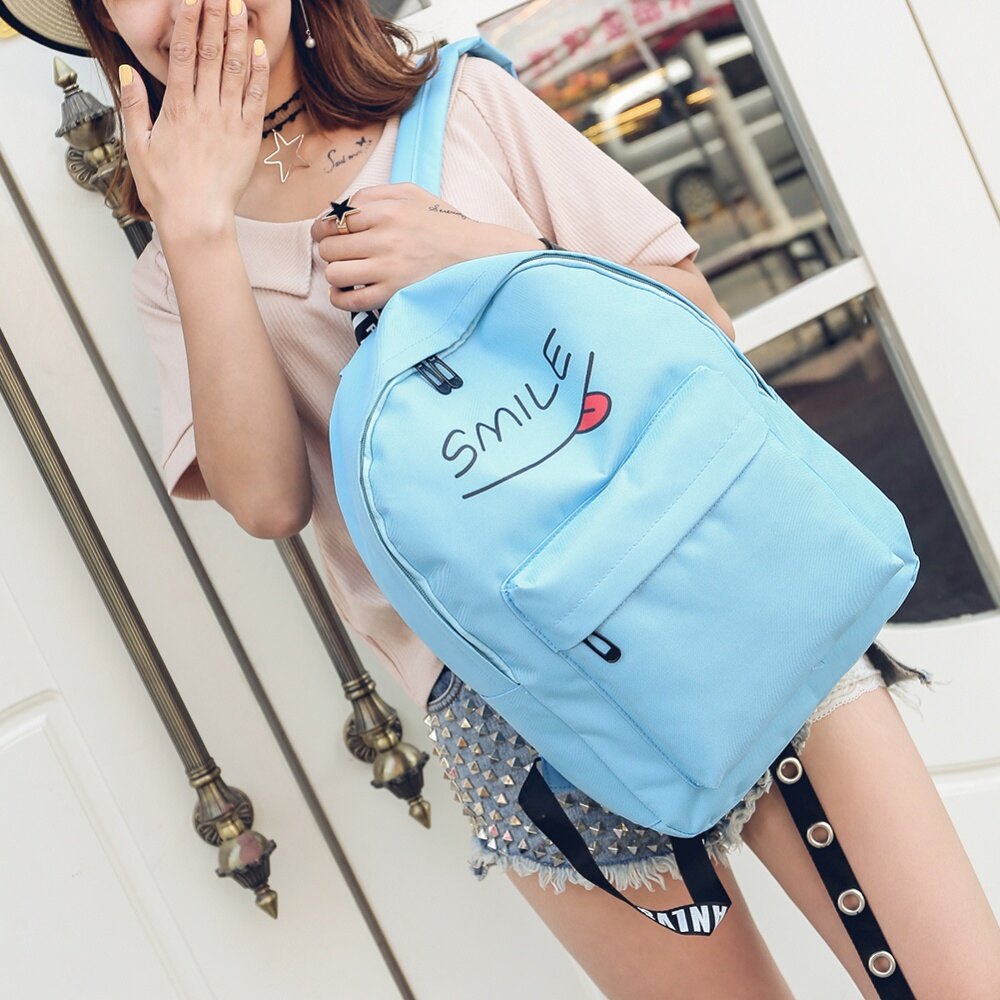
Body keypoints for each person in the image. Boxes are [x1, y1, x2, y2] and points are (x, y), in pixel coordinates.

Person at [20, 0, 998, 995]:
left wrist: (485, 252)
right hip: (517, 710)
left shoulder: (465, 101)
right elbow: (268, 502)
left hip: (714, 584)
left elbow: (698, 321)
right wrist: (194, 232)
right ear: (104, 24)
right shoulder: (177, 269)